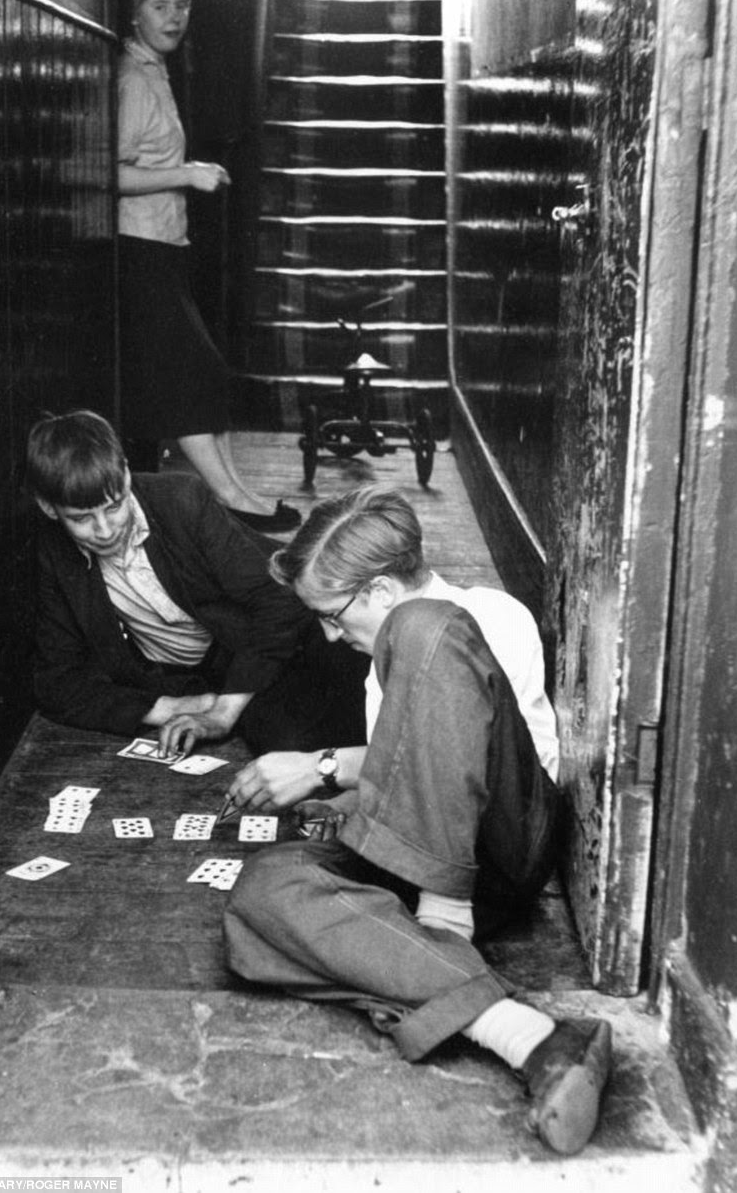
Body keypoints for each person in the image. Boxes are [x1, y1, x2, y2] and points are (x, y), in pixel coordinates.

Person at [222, 487, 612, 1156]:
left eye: (332, 614)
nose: (328, 633)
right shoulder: (384, 658)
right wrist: (353, 808)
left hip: (506, 844)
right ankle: (526, 1033)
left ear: (376, 588)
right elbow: (419, 770)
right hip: (427, 852)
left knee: (422, 626)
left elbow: (472, 763)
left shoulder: (477, 616)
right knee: (260, 895)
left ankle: (439, 924)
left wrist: (324, 767)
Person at [24, 410, 367, 756]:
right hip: (200, 676)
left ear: (126, 473)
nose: (104, 530)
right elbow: (57, 681)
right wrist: (169, 708)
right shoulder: (54, 553)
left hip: (277, 636)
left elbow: (279, 599)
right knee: (284, 744)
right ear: (49, 508)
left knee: (348, 701)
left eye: (113, 507)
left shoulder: (181, 499)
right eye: (82, 518)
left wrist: (224, 712)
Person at [116, 0, 298, 533]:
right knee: (189, 378)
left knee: (204, 372)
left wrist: (186, 166)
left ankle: (235, 489)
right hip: (137, 246)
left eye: (182, 5)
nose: (174, 17)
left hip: (165, 243)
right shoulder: (131, 78)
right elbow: (111, 175)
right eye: (159, 6)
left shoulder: (154, 71)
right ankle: (226, 495)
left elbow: (149, 155)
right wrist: (185, 175)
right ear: (135, 14)